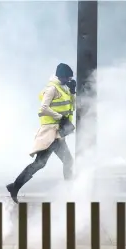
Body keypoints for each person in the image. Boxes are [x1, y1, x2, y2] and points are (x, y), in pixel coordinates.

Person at [6, 63, 77, 203]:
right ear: (61, 76)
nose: (68, 80)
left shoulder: (64, 88)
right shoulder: (51, 89)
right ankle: (70, 192)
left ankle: (15, 186)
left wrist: (73, 92)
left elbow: (72, 107)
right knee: (58, 162)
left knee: (41, 163)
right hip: (51, 133)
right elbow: (43, 108)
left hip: (59, 133)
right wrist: (60, 118)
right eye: (67, 78)